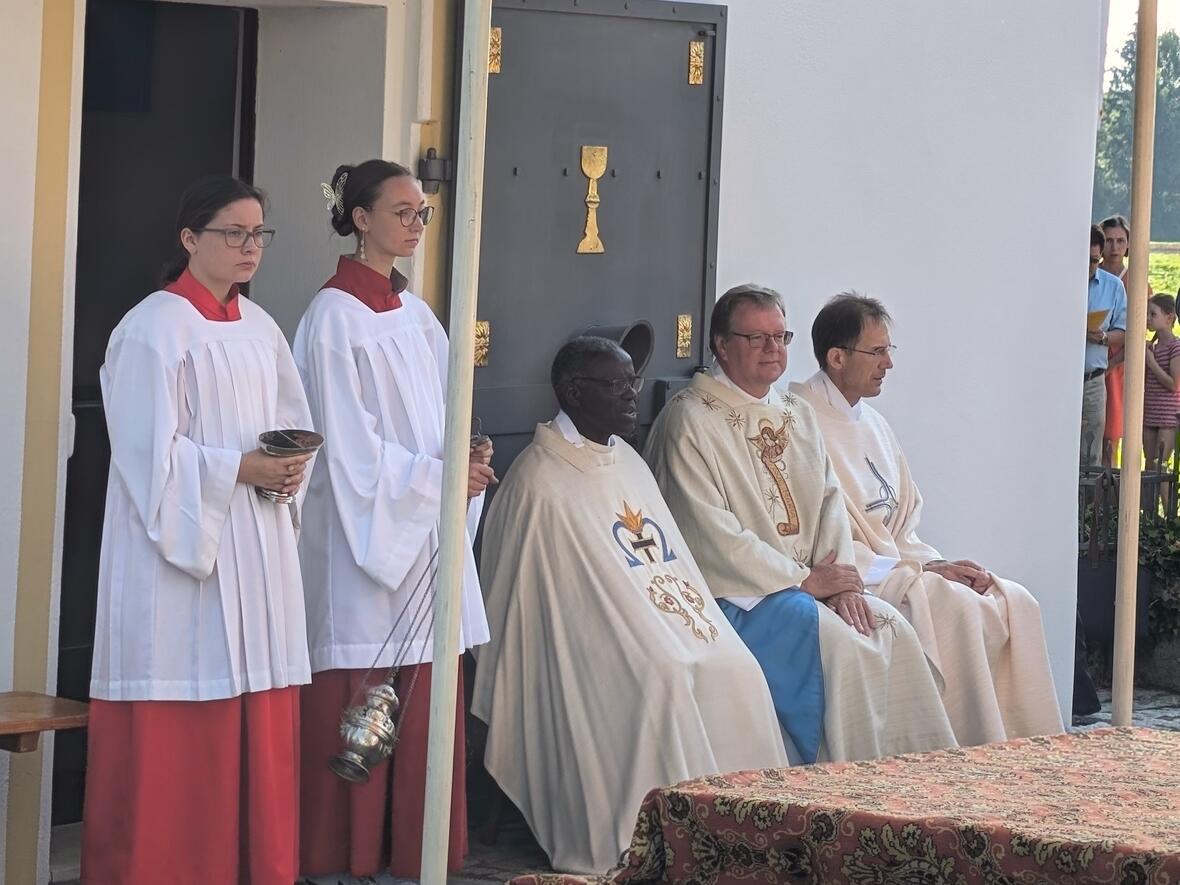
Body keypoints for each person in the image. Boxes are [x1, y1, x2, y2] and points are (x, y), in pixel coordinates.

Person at [471, 337, 790, 874]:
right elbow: (532, 601)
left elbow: (669, 561)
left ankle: (743, 837)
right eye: (618, 386)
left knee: (737, 667)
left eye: (634, 384)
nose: (633, 399)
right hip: (575, 642)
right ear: (574, 392)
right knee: (663, 676)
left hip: (658, 618)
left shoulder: (629, 464)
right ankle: (649, 848)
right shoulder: (538, 479)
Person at [82, 176, 313, 885]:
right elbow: (146, 453)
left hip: (256, 543)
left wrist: (288, 468)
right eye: (234, 233)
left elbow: (291, 418)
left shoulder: (262, 327)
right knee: (182, 716)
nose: (250, 248)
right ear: (190, 239)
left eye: (258, 235)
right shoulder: (152, 327)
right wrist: (237, 468)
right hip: (181, 559)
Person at [644, 284, 955, 763]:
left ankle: (918, 784)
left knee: (888, 625)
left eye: (781, 337)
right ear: (722, 346)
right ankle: (844, 793)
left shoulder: (795, 412)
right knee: (845, 648)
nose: (773, 349)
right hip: (743, 595)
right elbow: (708, 530)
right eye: (757, 338)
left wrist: (843, 583)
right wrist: (803, 581)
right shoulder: (689, 420)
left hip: (811, 584)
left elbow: (832, 500)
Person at [294, 160, 494, 881]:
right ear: (360, 219)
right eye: (402, 211)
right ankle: (343, 859)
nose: (415, 224)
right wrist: (438, 481)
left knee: (427, 706)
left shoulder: (418, 315)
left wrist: (466, 455)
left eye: (422, 213)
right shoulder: (329, 320)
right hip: (364, 546)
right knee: (362, 695)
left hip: (425, 532)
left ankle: (417, 855)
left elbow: (445, 413)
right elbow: (346, 452)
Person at [793, 293, 1063, 746]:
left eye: (888, 351)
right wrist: (913, 570)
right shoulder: (800, 421)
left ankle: (1022, 745)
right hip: (856, 574)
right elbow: (821, 537)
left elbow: (901, 528)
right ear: (836, 357)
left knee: (1008, 599)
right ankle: (969, 747)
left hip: (896, 565)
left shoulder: (873, 423)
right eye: (876, 352)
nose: (888, 364)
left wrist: (929, 562)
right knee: (956, 607)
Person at [1099, 214, 1153, 467]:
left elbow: (1139, 328)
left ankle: (1111, 490)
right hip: (1093, 355)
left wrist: (1116, 362)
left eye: (1121, 241)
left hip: (1120, 362)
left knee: (1113, 431)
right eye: (1109, 241)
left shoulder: (1135, 278)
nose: (1115, 247)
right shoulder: (1091, 272)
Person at [1083, 224, 1128, 466]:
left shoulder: (1113, 286)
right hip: (1057, 380)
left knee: (1091, 455)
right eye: (1084, 260)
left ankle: (1089, 505)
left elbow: (1124, 332)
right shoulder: (1058, 282)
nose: (1089, 267)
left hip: (1092, 378)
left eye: (1093, 260)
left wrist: (1101, 337)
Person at [1144, 294, 1180, 471]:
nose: (1148, 318)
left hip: (1167, 416)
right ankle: (1148, 499)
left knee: (1161, 465)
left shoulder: (1176, 347)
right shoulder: (1152, 347)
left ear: (1169, 318)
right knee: (1149, 464)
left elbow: (1175, 385)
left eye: (1153, 314)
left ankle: (1167, 500)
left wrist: (1151, 362)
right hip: (1150, 412)